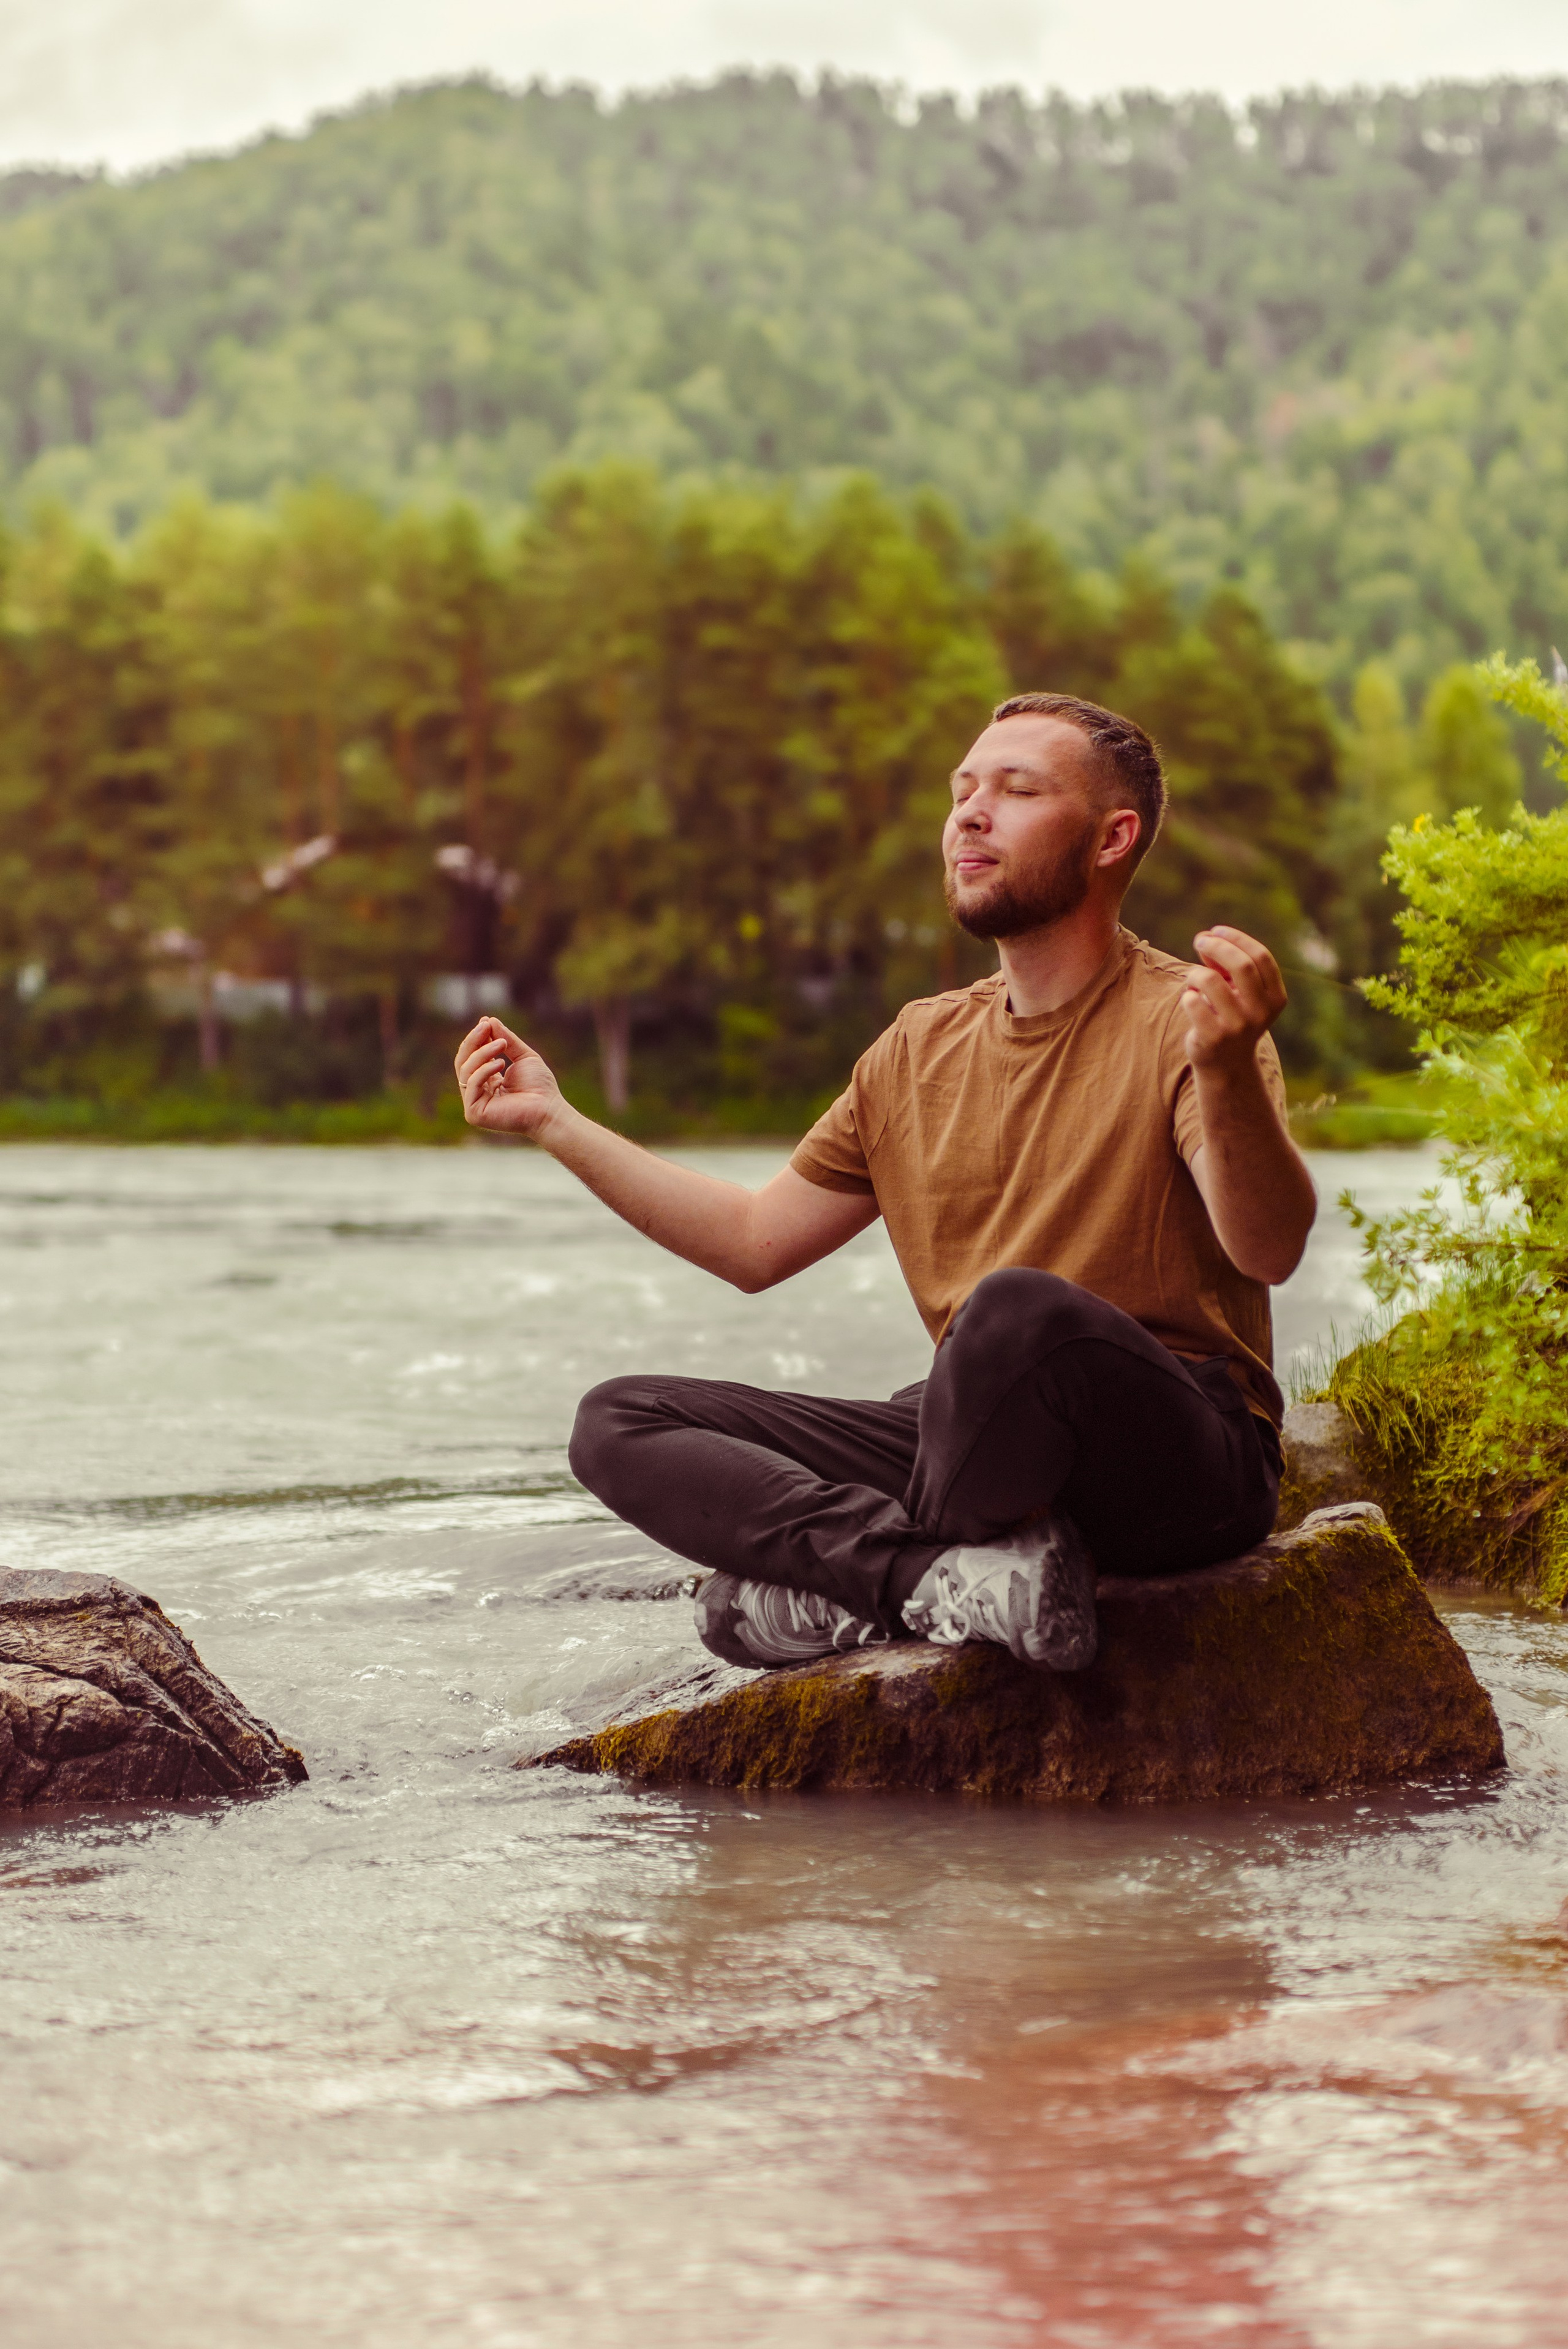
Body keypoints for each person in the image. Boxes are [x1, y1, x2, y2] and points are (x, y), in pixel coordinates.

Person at [454, 692, 1316, 1675]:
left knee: (1016, 1314)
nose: (969, 815)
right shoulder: (917, 1044)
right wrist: (559, 1124)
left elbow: (1270, 1248)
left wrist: (1230, 1068)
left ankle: (838, 1591)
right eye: (962, 791)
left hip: (1177, 1458)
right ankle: (922, 1583)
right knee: (619, 1420)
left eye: (1016, 790)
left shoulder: (1190, 1024)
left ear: (1113, 837)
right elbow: (752, 1243)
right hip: (972, 1439)